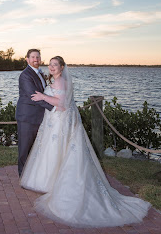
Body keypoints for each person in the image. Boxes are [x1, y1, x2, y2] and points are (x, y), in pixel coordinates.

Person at [20, 56, 151, 228]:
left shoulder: (61, 82)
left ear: (61, 67)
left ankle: (54, 181)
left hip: (60, 120)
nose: (51, 67)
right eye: (50, 64)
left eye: (55, 65)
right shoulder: (57, 80)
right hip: (54, 121)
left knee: (59, 149)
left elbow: (62, 104)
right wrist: (44, 96)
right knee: (53, 149)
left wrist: (43, 97)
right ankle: (49, 179)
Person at [15, 49, 54, 176]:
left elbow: (43, 93)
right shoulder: (25, 75)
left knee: (35, 148)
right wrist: (53, 108)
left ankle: (33, 174)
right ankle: (23, 175)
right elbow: (34, 96)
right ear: (27, 59)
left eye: (37, 57)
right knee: (25, 148)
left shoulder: (40, 73)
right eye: (32, 57)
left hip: (39, 116)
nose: (35, 59)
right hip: (28, 117)